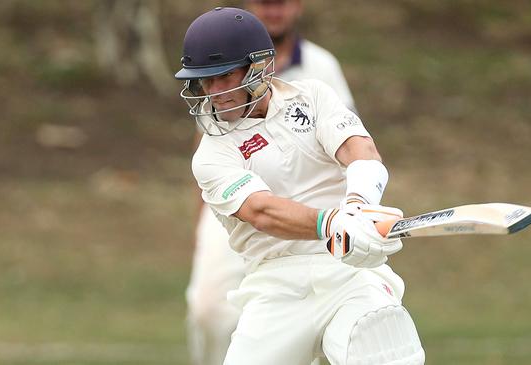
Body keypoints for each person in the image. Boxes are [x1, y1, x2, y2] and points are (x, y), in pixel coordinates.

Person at [176, 7, 425, 365]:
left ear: (258, 66)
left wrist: (358, 207)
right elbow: (261, 211)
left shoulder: (312, 96)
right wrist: (333, 224)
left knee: (381, 340)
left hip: (347, 270)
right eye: (205, 80)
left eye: (225, 76)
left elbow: (362, 151)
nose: (214, 92)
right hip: (276, 287)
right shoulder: (211, 154)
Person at [184, 1, 358, 364]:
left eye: (281, 1)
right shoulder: (213, 47)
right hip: (238, 198)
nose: (274, 10)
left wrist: (358, 201)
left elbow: (349, 143)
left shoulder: (320, 67)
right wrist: (204, 218)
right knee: (208, 308)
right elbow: (210, 152)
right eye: (265, 2)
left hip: (316, 198)